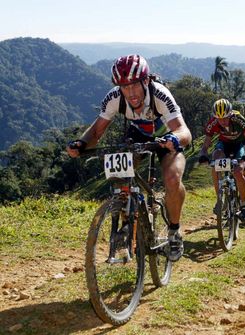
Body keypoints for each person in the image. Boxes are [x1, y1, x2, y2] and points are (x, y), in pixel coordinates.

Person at [66, 54, 192, 262]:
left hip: (166, 137)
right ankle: (129, 217)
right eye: (124, 87)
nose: (130, 93)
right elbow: (96, 133)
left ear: (145, 81)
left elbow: (184, 131)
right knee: (119, 176)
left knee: (171, 179)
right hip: (139, 136)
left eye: (134, 85)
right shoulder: (114, 97)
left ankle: (174, 231)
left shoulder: (160, 94)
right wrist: (80, 144)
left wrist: (174, 139)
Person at [198, 98, 245, 222]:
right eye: (219, 119)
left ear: (230, 114)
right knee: (215, 161)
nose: (223, 121)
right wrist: (203, 155)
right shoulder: (213, 123)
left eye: (225, 118)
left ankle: (243, 204)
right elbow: (205, 145)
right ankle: (220, 200)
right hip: (224, 144)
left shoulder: (239, 119)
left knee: (237, 171)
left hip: (240, 144)